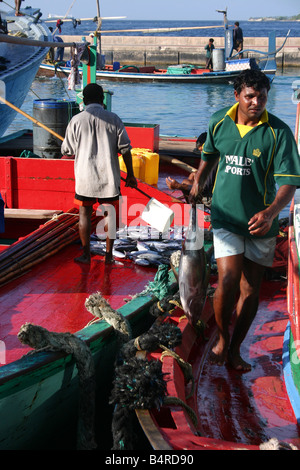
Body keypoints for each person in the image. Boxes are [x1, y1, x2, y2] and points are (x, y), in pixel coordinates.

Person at [189, 69, 300, 371]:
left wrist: (271, 212)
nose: (256, 102)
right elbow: (210, 153)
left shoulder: (278, 133)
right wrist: (199, 179)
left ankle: (236, 347)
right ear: (237, 95)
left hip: (261, 223)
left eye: (261, 97)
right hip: (225, 217)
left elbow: (289, 181)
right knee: (227, 281)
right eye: (249, 96)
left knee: (251, 289)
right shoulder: (219, 121)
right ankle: (222, 339)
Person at [61, 83, 137, 264]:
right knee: (109, 214)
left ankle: (86, 254)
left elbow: (67, 150)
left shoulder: (76, 121)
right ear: (102, 99)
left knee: (84, 213)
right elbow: (125, 149)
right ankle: (109, 256)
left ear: (84, 100)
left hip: (85, 178)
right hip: (108, 177)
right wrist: (132, 175)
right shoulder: (114, 119)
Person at [166, 132, 215, 204]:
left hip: (213, 199)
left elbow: (204, 190)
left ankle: (199, 210)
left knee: (185, 183)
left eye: (203, 150)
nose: (202, 154)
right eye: (200, 151)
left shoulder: (213, 162)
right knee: (188, 180)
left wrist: (178, 186)